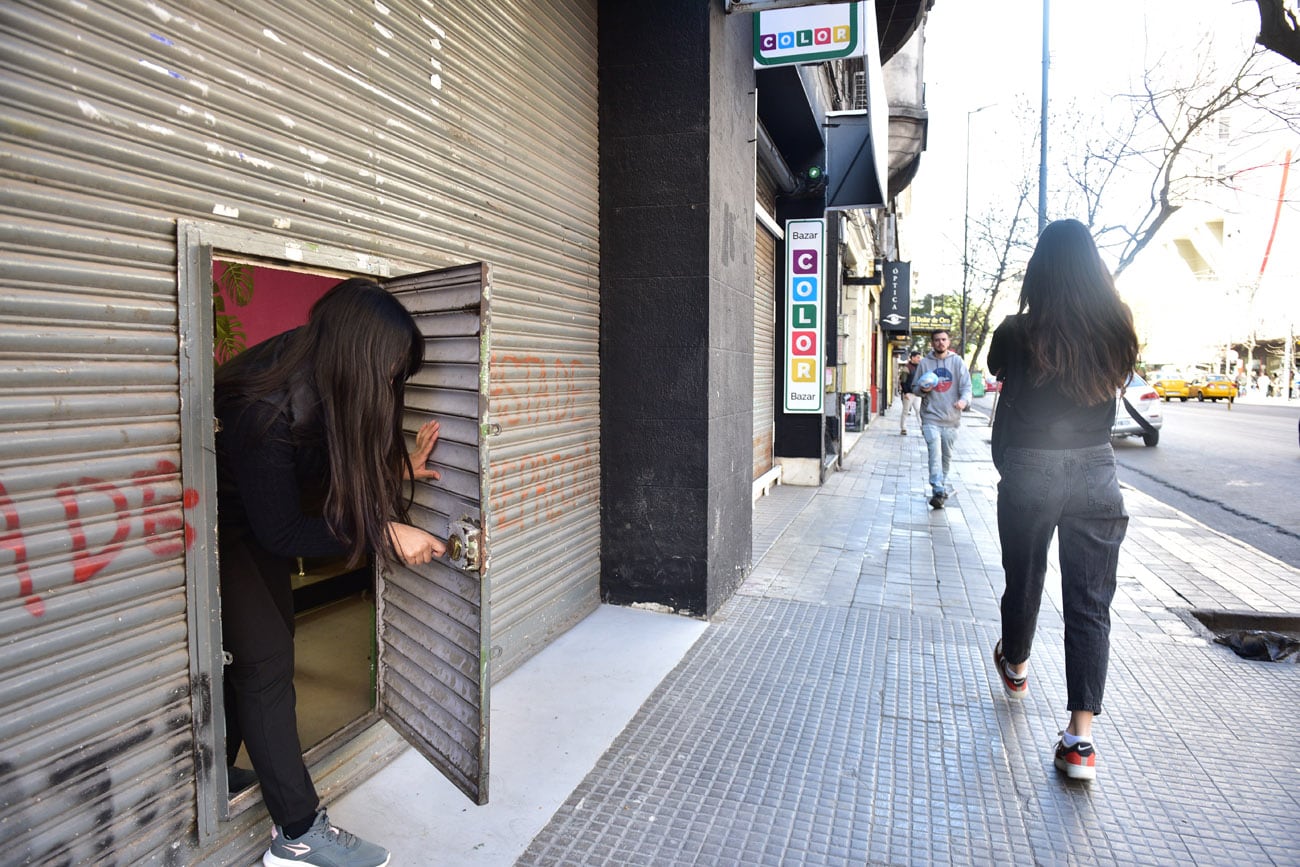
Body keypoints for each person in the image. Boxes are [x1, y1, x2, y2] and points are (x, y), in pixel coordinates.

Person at [215, 278, 446, 867]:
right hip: (224, 529)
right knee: (265, 663)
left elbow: (332, 462)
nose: (393, 382)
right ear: (361, 352)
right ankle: (295, 835)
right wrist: (385, 532)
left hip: (261, 522)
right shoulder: (264, 405)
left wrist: (400, 469)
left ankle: (218, 770)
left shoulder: (324, 372)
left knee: (259, 655)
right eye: (392, 369)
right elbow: (283, 531)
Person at [987, 219, 1139, 783]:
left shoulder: (1015, 330)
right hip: (1098, 471)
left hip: (1030, 468)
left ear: (1039, 270)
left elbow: (998, 371)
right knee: (1089, 601)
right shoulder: (1117, 327)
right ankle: (1080, 741)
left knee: (1023, 578)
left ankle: (1017, 664)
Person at [912, 330, 972, 508]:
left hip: (952, 419)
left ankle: (941, 487)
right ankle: (937, 488)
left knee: (946, 457)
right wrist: (923, 389)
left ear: (948, 341)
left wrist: (963, 400)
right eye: (937, 340)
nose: (940, 343)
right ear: (932, 343)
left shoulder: (957, 362)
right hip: (931, 417)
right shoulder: (925, 363)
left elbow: (967, 387)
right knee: (935, 454)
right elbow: (914, 388)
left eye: (944, 339)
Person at [898, 349, 922, 435]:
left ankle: (922, 428)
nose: (919, 359)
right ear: (913, 357)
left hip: (917, 394)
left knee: (919, 411)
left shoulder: (920, 367)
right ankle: (903, 428)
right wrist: (906, 392)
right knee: (905, 411)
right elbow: (903, 381)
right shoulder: (906, 367)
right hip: (909, 394)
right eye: (918, 357)